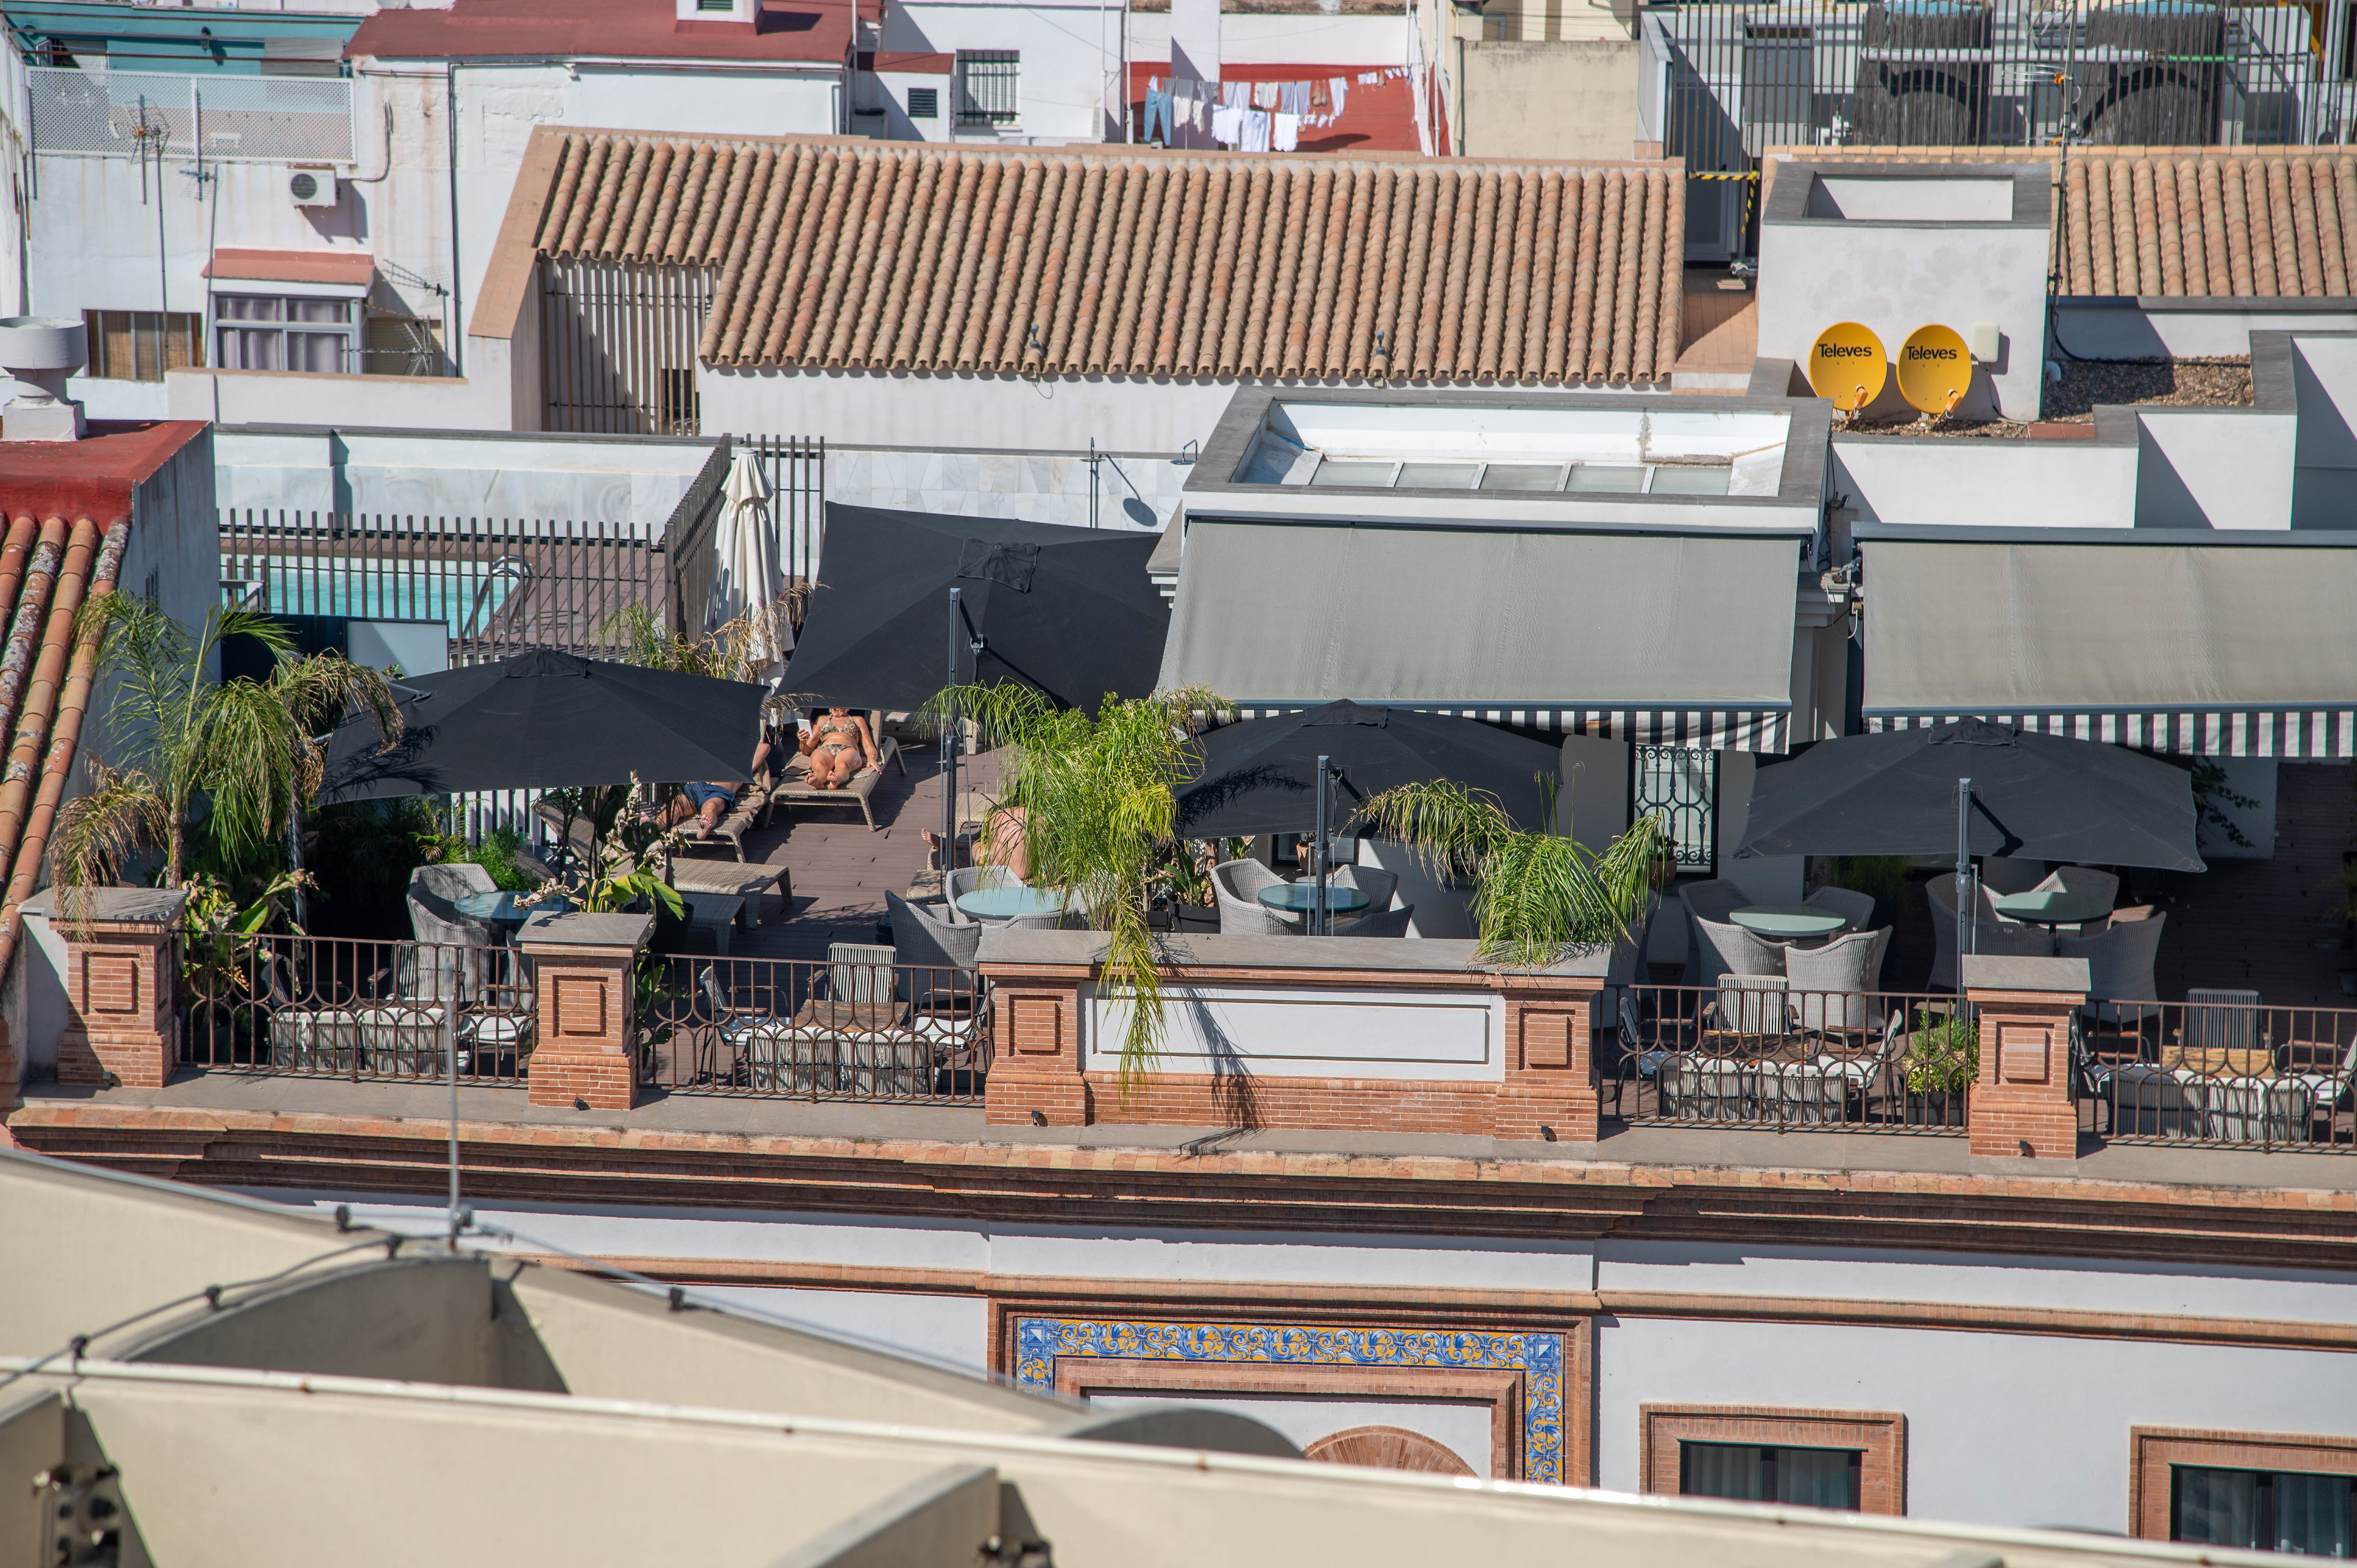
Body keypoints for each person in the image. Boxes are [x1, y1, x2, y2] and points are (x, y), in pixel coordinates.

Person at [798, 707, 879, 790]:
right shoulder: (822, 719)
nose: (834, 708)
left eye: (838, 706)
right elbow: (807, 751)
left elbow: (868, 746)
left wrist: (872, 758)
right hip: (825, 748)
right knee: (820, 765)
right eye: (832, 705)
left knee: (843, 765)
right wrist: (803, 743)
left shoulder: (858, 720)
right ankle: (817, 779)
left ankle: (836, 780)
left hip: (847, 748)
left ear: (848, 707)